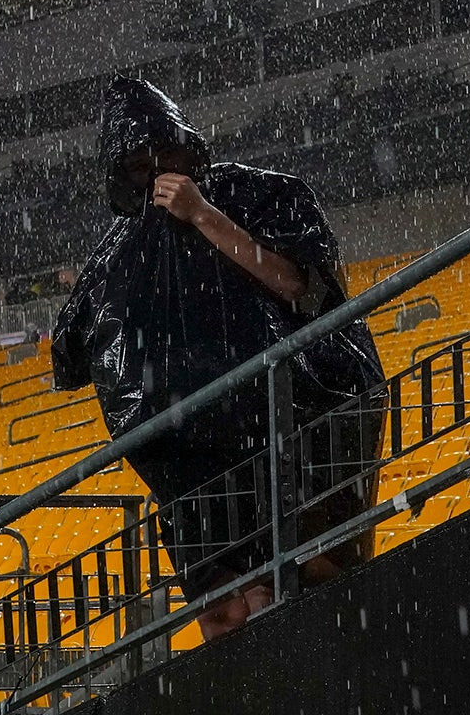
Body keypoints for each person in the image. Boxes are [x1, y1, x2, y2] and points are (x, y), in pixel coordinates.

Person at [51, 75, 386, 642]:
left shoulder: (257, 196)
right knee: (228, 610)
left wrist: (203, 215)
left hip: (286, 431)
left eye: (166, 155)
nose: (157, 172)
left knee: (308, 577)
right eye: (139, 163)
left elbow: (299, 286)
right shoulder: (121, 251)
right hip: (192, 463)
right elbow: (71, 354)